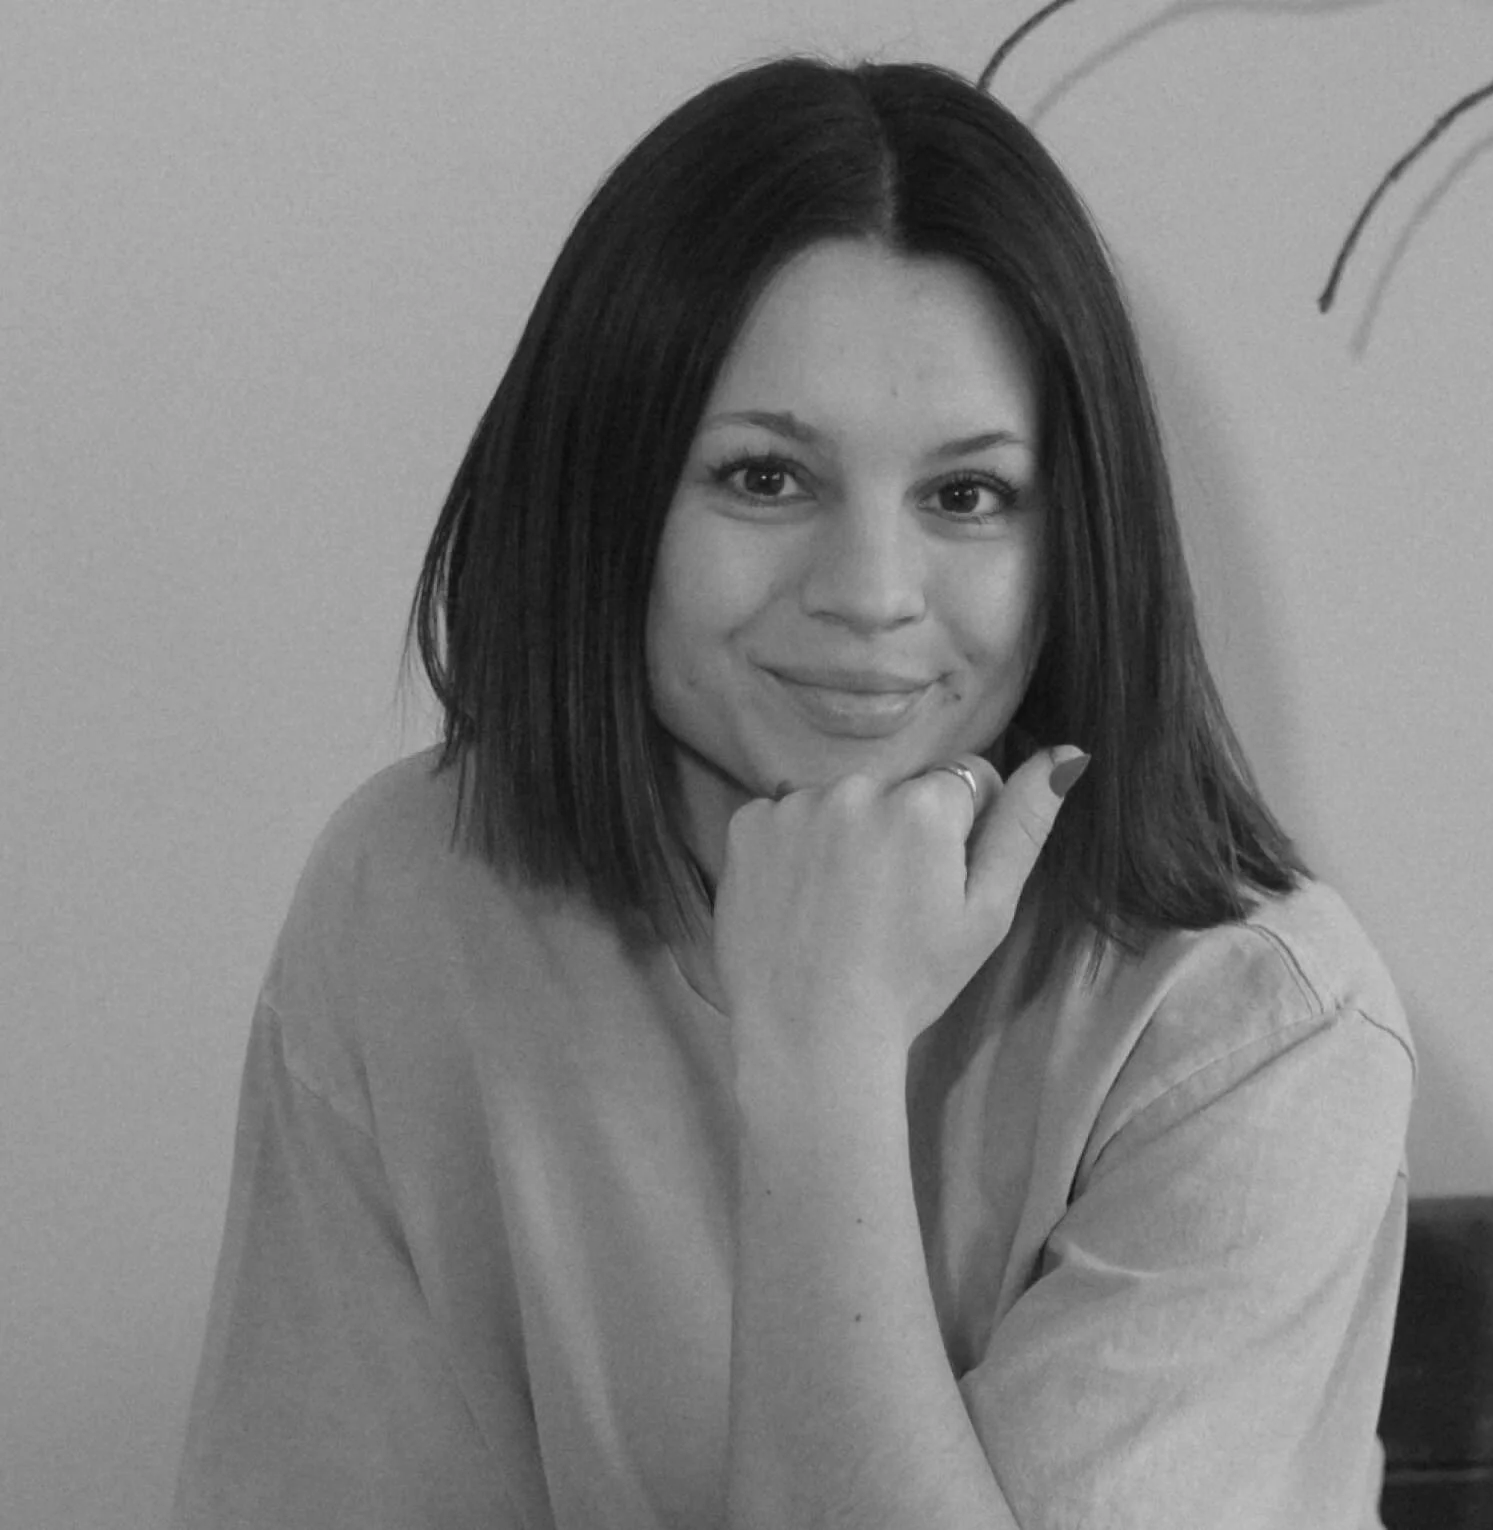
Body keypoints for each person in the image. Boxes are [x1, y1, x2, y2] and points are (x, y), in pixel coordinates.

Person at [171, 55, 1415, 1530]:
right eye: (766, 478)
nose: (871, 594)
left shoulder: (1262, 1029)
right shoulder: (412, 894)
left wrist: (823, 1068)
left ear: (1077, 539)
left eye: (966, 495)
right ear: (603, 492)